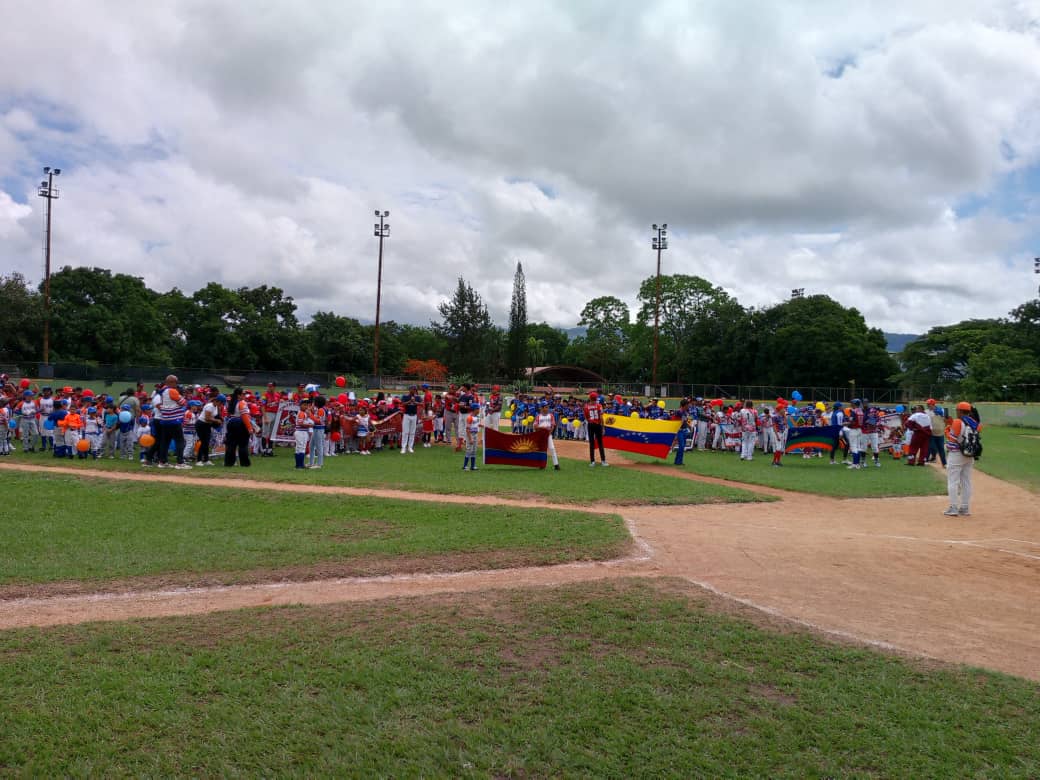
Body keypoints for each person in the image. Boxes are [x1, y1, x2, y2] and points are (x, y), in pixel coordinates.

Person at [944, 401, 980, 517]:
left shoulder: (958, 421)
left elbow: (953, 439)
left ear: (959, 411)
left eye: (957, 410)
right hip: (969, 455)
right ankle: (965, 507)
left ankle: (953, 508)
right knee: (966, 482)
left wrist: (948, 430)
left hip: (956, 454)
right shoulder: (975, 422)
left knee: (953, 481)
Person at [224, 387, 254, 467]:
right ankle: (244, 463)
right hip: (240, 423)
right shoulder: (242, 403)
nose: (245, 395)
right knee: (243, 444)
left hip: (231, 422)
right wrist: (249, 428)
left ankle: (229, 463)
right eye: (243, 394)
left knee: (231, 444)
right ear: (238, 395)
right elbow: (244, 416)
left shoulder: (232, 402)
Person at [583, 391, 608, 467]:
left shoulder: (586, 406)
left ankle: (592, 461)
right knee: (600, 443)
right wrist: (603, 427)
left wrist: (590, 422)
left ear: (590, 398)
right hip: (598, 425)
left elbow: (586, 417)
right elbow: (601, 417)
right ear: (596, 398)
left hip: (590, 425)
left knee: (591, 443)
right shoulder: (599, 406)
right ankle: (603, 461)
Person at [535, 401, 560, 471]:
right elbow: (535, 426)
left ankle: (556, 464)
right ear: (542, 408)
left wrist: (549, 433)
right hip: (540, 436)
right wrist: (542, 429)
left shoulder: (551, 415)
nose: (547, 408)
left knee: (552, 448)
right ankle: (541, 464)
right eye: (546, 407)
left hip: (548, 435)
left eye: (547, 407)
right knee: (541, 450)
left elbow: (553, 425)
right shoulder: (538, 416)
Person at [399, 386, 421, 454]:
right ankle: (403, 448)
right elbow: (402, 404)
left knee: (412, 432)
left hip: (414, 415)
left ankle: (410, 447)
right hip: (406, 415)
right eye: (413, 389)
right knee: (405, 432)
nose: (414, 390)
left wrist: (415, 402)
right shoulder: (405, 396)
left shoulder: (417, 397)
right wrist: (410, 401)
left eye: (415, 389)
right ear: (409, 390)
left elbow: (421, 404)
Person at [926, 399, 948, 467]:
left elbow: (946, 419)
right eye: (927, 405)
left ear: (933, 404)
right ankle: (926, 459)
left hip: (940, 432)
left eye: (929, 404)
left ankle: (944, 463)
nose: (928, 406)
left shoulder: (941, 410)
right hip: (931, 432)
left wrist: (941, 414)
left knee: (941, 448)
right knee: (931, 446)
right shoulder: (927, 412)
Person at [293, 397, 314, 469]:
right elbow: (300, 423)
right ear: (300, 405)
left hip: (302, 432)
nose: (306, 406)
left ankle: (299, 464)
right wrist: (310, 425)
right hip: (301, 431)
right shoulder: (301, 413)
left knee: (299, 448)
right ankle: (300, 465)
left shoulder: (303, 413)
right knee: (301, 448)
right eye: (304, 405)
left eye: (307, 405)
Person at [462, 402, 481, 471]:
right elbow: (467, 429)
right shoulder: (469, 418)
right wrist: (470, 439)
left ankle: (473, 466)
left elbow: (476, 425)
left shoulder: (477, 417)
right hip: (470, 435)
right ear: (474, 409)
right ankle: (465, 466)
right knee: (469, 450)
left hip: (475, 434)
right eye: (478, 409)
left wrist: (481, 426)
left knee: (474, 450)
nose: (479, 410)